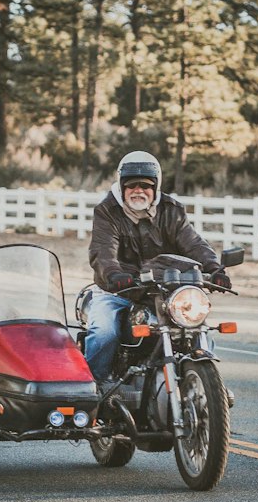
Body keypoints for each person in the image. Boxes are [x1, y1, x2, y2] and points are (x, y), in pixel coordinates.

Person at [84, 149, 231, 384]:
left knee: (195, 326)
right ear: (122, 187)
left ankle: (204, 385)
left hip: (164, 290)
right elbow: (103, 251)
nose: (138, 190)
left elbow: (193, 243)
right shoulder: (107, 211)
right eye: (131, 185)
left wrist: (214, 269)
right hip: (118, 290)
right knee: (104, 333)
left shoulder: (171, 210)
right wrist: (114, 273)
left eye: (145, 185)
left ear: (156, 187)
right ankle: (93, 388)